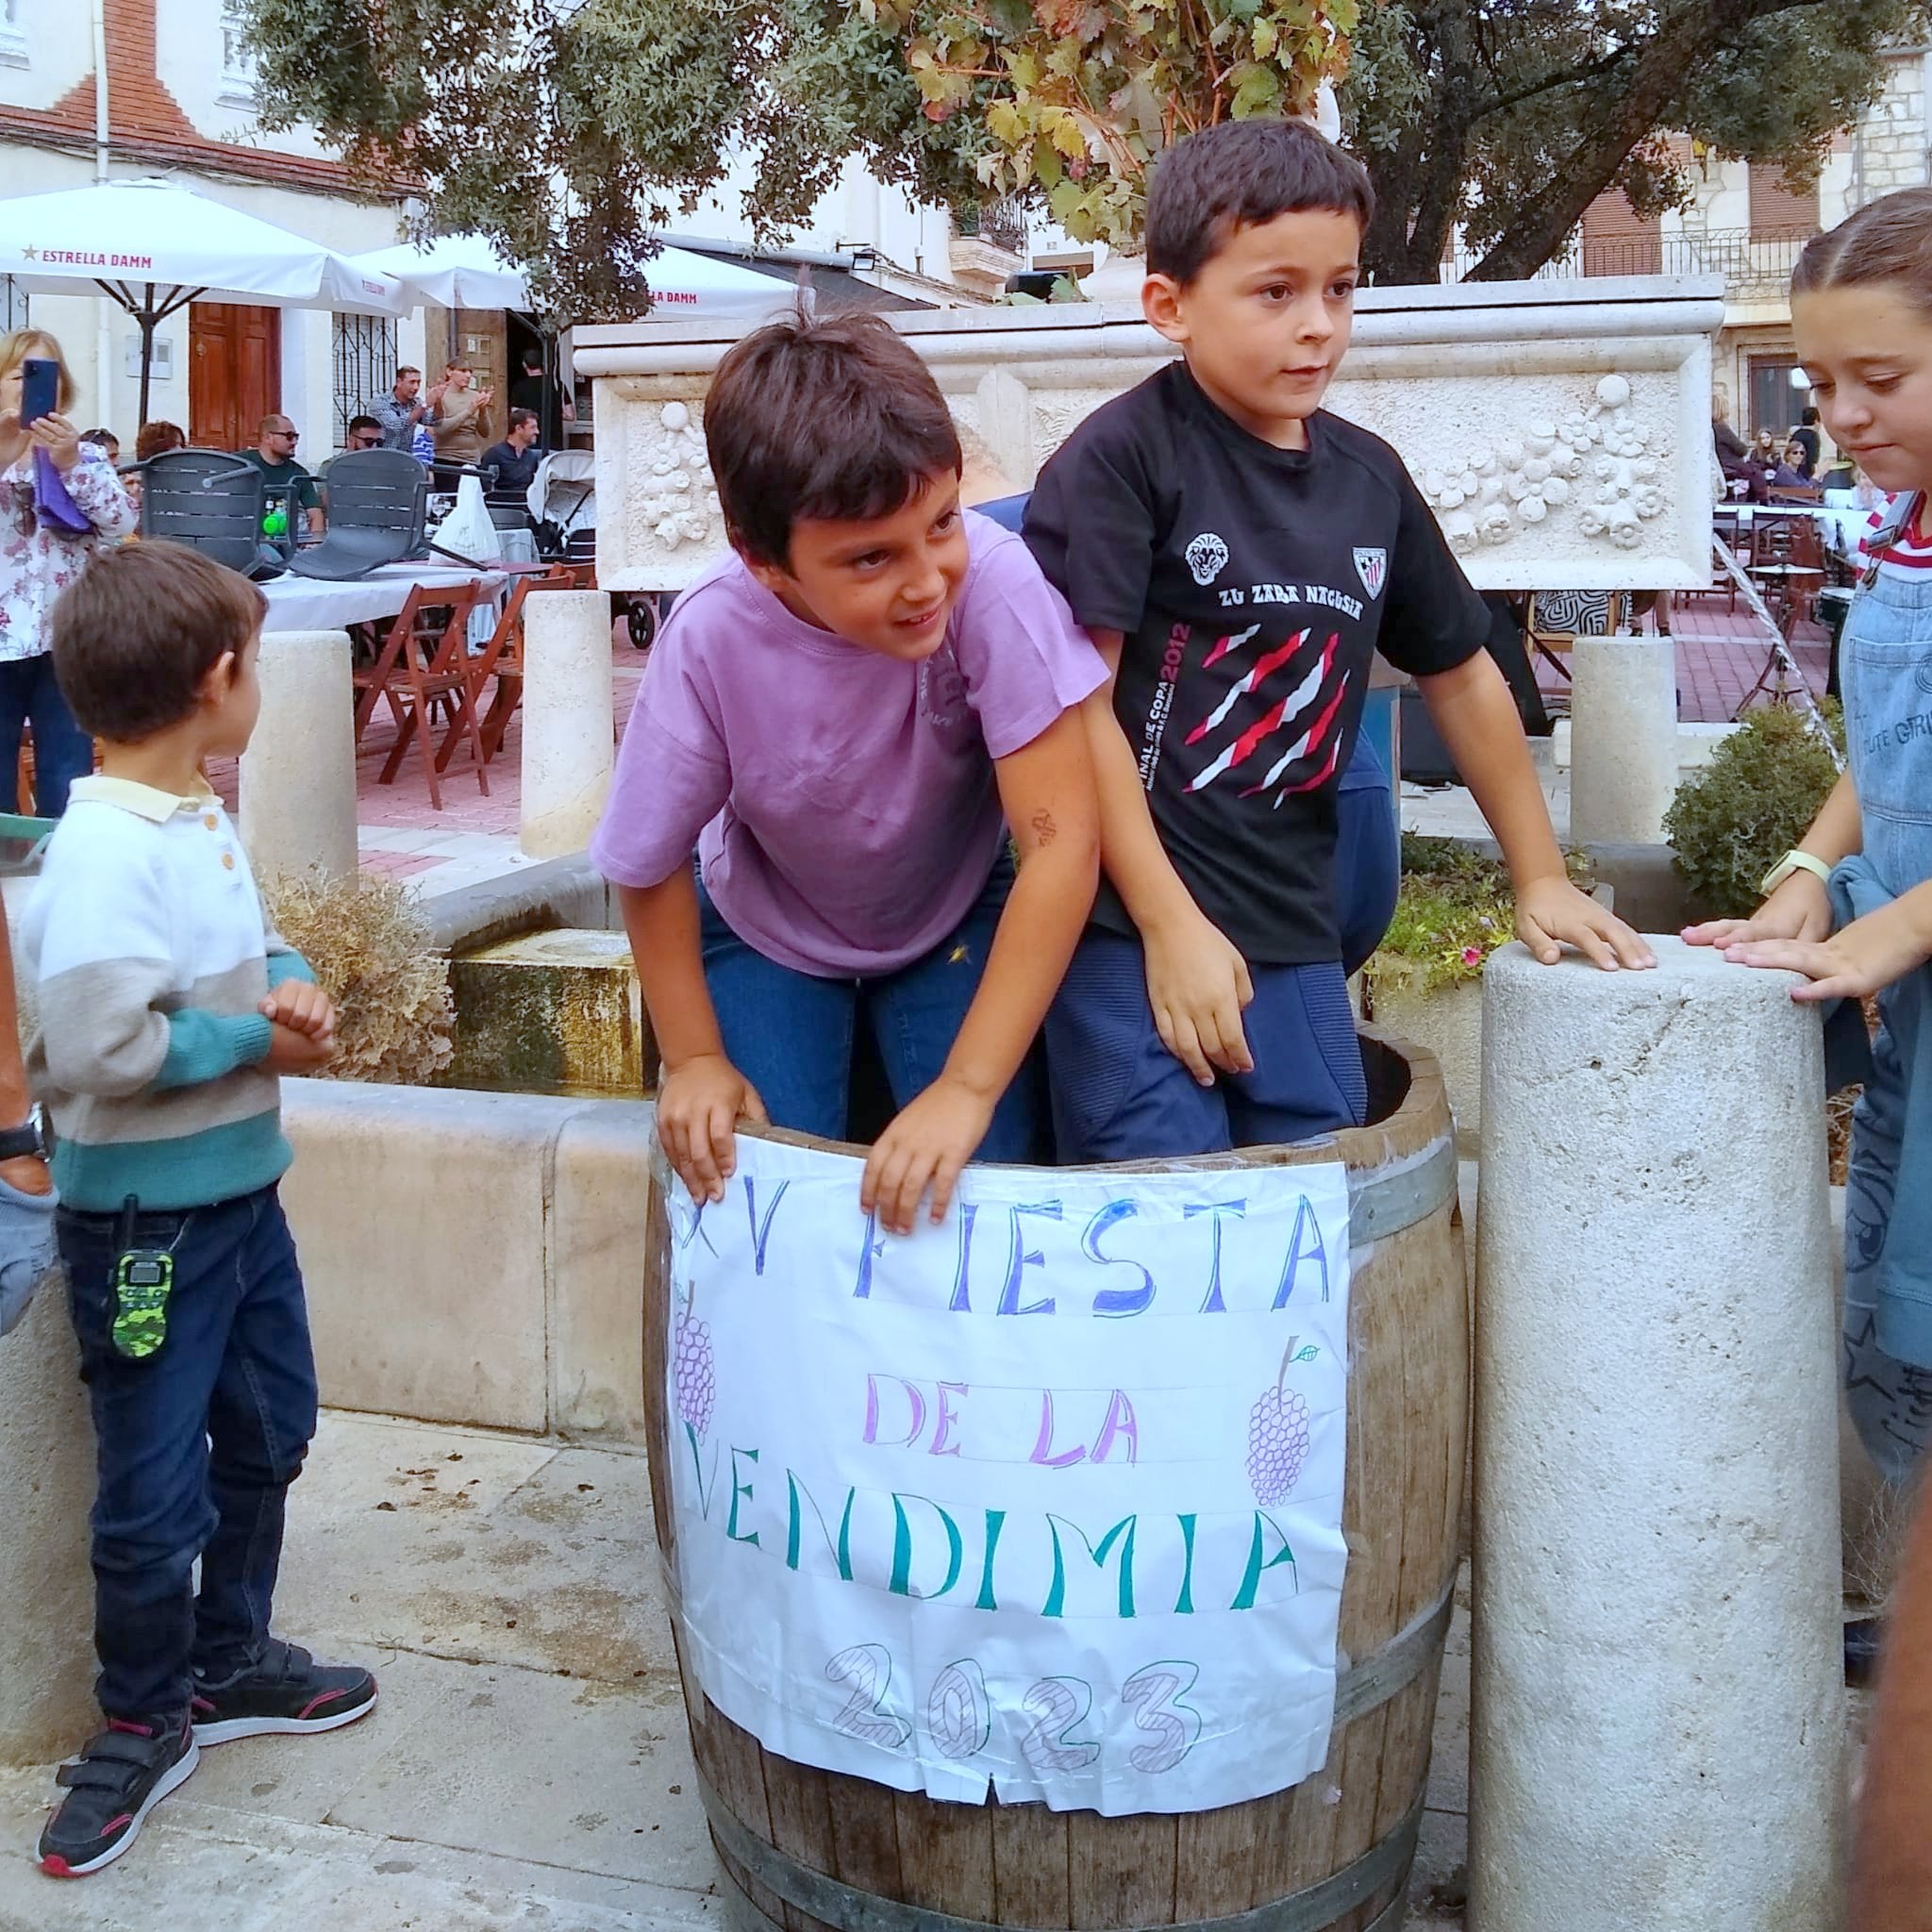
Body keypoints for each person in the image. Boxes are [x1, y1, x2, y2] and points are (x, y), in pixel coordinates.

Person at [1020, 119, 1652, 1162]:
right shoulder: (1122, 461)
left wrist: (1536, 873)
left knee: (1316, 1197)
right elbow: (1073, 704)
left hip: (1291, 931)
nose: (1317, 326)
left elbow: (1459, 672)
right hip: (1125, 927)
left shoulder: (1368, 479)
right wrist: (1167, 923)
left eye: (1339, 289)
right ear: (1169, 305)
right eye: (1274, 292)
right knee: (1158, 1206)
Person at [590, 309, 1104, 1236]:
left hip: (951, 907)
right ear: (765, 563)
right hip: (764, 925)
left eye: (941, 520)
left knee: (973, 1183)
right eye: (870, 557)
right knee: (759, 1185)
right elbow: (644, 858)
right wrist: (695, 1055)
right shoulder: (710, 634)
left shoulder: (994, 583)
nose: (924, 580)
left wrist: (966, 1085)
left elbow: (1059, 846)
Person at [23, 540, 377, 1877]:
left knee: (269, 1428)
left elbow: (251, 943)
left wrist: (286, 984)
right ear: (221, 679)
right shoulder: (107, 852)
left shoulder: (189, 815)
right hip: (147, 1233)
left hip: (241, 1201)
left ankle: (230, 1656)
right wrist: (251, 1041)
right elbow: (104, 1047)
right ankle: (142, 1717)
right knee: (151, 1491)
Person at [1685, 186, 1932, 1650]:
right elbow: (1884, 756)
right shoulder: (1901, 535)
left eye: (1880, 380)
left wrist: (1894, 933)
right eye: (1824, 382)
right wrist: (1804, 878)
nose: (1839, 413)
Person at [0, 329, 136, 818]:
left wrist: (71, 462)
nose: (34, 386)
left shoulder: (87, 455)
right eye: (21, 374)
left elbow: (120, 522)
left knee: (68, 768)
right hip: (1, 638)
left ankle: (62, 866)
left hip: (68, 636)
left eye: (47, 375)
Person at [235, 415, 321, 535]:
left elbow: (315, 514)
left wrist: (314, 544)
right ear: (268, 438)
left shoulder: (299, 473)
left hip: (285, 542)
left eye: (296, 437)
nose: (295, 442)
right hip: (244, 540)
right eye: (289, 436)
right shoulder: (238, 464)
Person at [429, 359, 493, 472]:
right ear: (449, 372)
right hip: (446, 458)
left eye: (470, 372)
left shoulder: (474, 396)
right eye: (463, 371)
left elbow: (485, 433)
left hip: (471, 459)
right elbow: (440, 429)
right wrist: (469, 411)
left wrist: (482, 410)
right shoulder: (440, 395)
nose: (468, 375)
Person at [365, 364, 445, 453]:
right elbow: (396, 426)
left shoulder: (416, 403)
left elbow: (434, 421)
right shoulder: (380, 402)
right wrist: (425, 405)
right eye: (412, 382)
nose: (416, 387)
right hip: (382, 457)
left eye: (418, 382)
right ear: (399, 382)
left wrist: (438, 400)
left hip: (406, 457)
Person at [480, 408, 542, 495]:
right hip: (501, 505)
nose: (537, 432)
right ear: (518, 428)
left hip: (526, 504)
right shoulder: (495, 454)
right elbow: (485, 486)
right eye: (532, 427)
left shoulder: (531, 457)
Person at [1791, 403, 1824, 477]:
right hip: (1807, 473)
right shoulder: (1813, 436)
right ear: (1816, 421)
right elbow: (1813, 459)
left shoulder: (1796, 434)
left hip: (1794, 472)